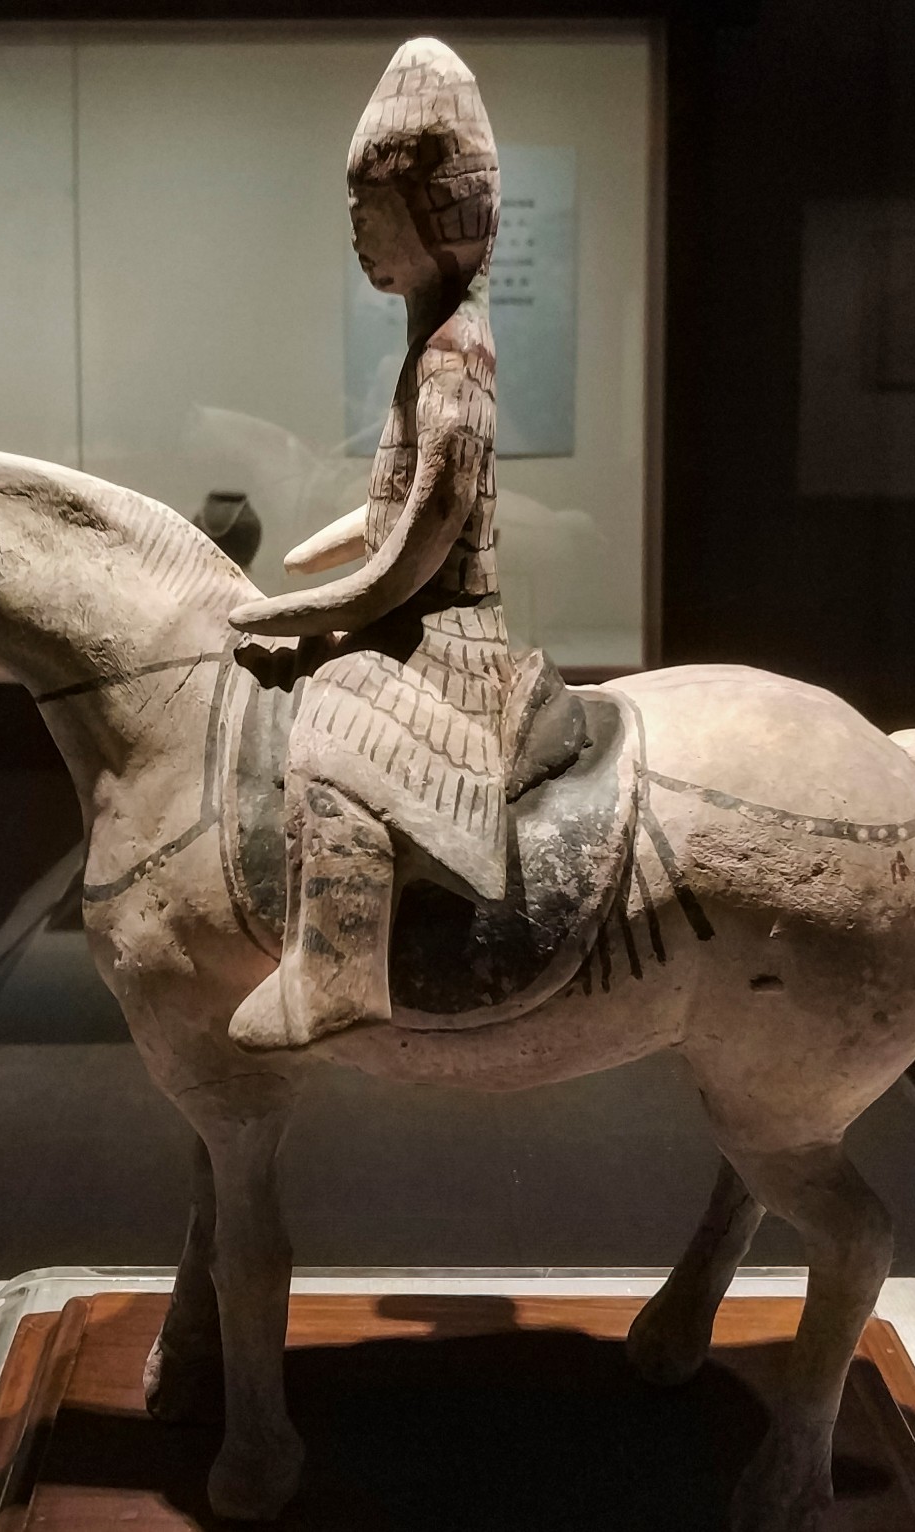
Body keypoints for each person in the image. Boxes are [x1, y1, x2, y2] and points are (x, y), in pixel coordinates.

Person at [227, 38, 509, 1051]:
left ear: (438, 211)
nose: (356, 231)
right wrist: (324, 553)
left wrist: (297, 607)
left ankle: (339, 970)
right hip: (413, 608)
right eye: (353, 209)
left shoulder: (455, 360)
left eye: (371, 208)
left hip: (449, 634)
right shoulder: (428, 348)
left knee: (332, 723)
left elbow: (417, 554)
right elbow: (406, 510)